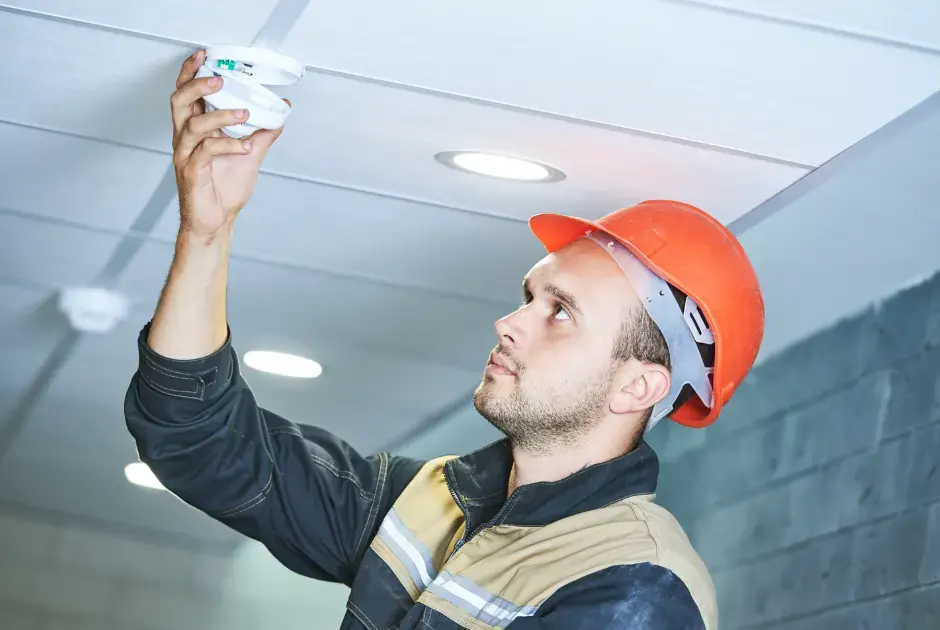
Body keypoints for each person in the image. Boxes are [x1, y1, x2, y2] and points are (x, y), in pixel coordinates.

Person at [124, 50, 764, 630]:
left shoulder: (636, 587)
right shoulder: (434, 503)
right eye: (529, 298)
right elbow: (197, 437)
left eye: (561, 312)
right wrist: (206, 232)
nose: (509, 323)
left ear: (639, 385)